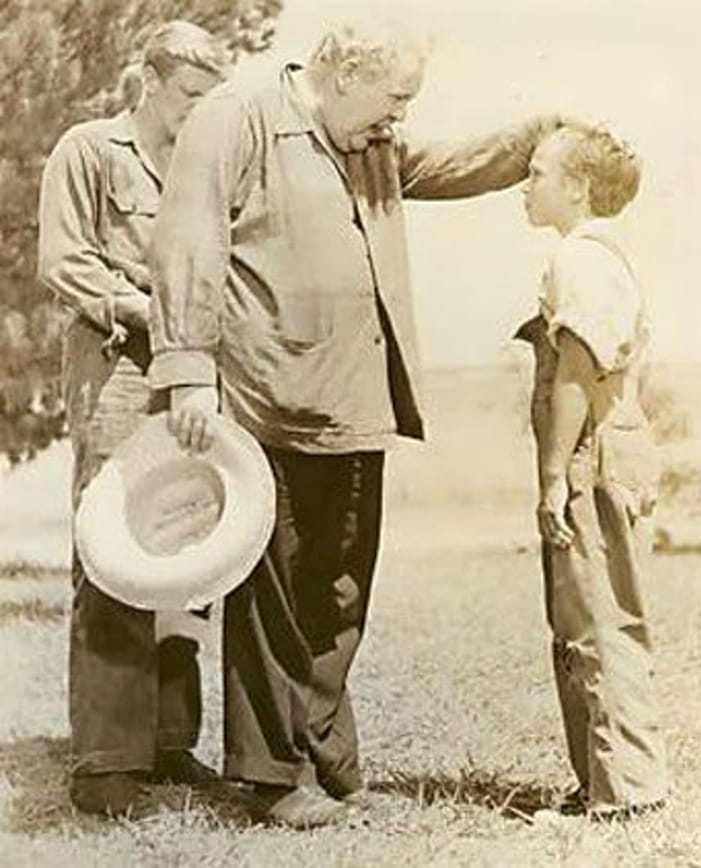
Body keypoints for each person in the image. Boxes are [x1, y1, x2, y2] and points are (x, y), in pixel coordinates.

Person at [148, 18, 564, 828]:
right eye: (393, 98)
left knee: (340, 592)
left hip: (354, 404)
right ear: (344, 76)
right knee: (272, 602)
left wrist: (538, 135)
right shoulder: (236, 117)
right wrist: (190, 372)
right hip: (265, 402)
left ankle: (331, 765)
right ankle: (272, 778)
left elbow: (447, 164)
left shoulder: (368, 137)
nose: (398, 118)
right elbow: (187, 241)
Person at [37, 21, 226, 816]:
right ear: (148, 80)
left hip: (188, 376)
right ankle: (106, 762)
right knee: (113, 547)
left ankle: (170, 741)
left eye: (208, 99)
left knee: (184, 545)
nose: (197, 111)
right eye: (187, 94)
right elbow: (64, 261)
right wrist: (152, 310)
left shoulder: (206, 165)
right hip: (117, 369)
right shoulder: (89, 149)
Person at [516, 123, 669, 818]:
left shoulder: (578, 260)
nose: (527, 184)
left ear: (577, 188)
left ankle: (623, 795)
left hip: (594, 451)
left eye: (539, 173)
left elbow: (578, 369)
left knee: (596, 622)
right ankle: (609, 784)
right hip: (619, 442)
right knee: (600, 618)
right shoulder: (604, 257)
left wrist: (554, 476)